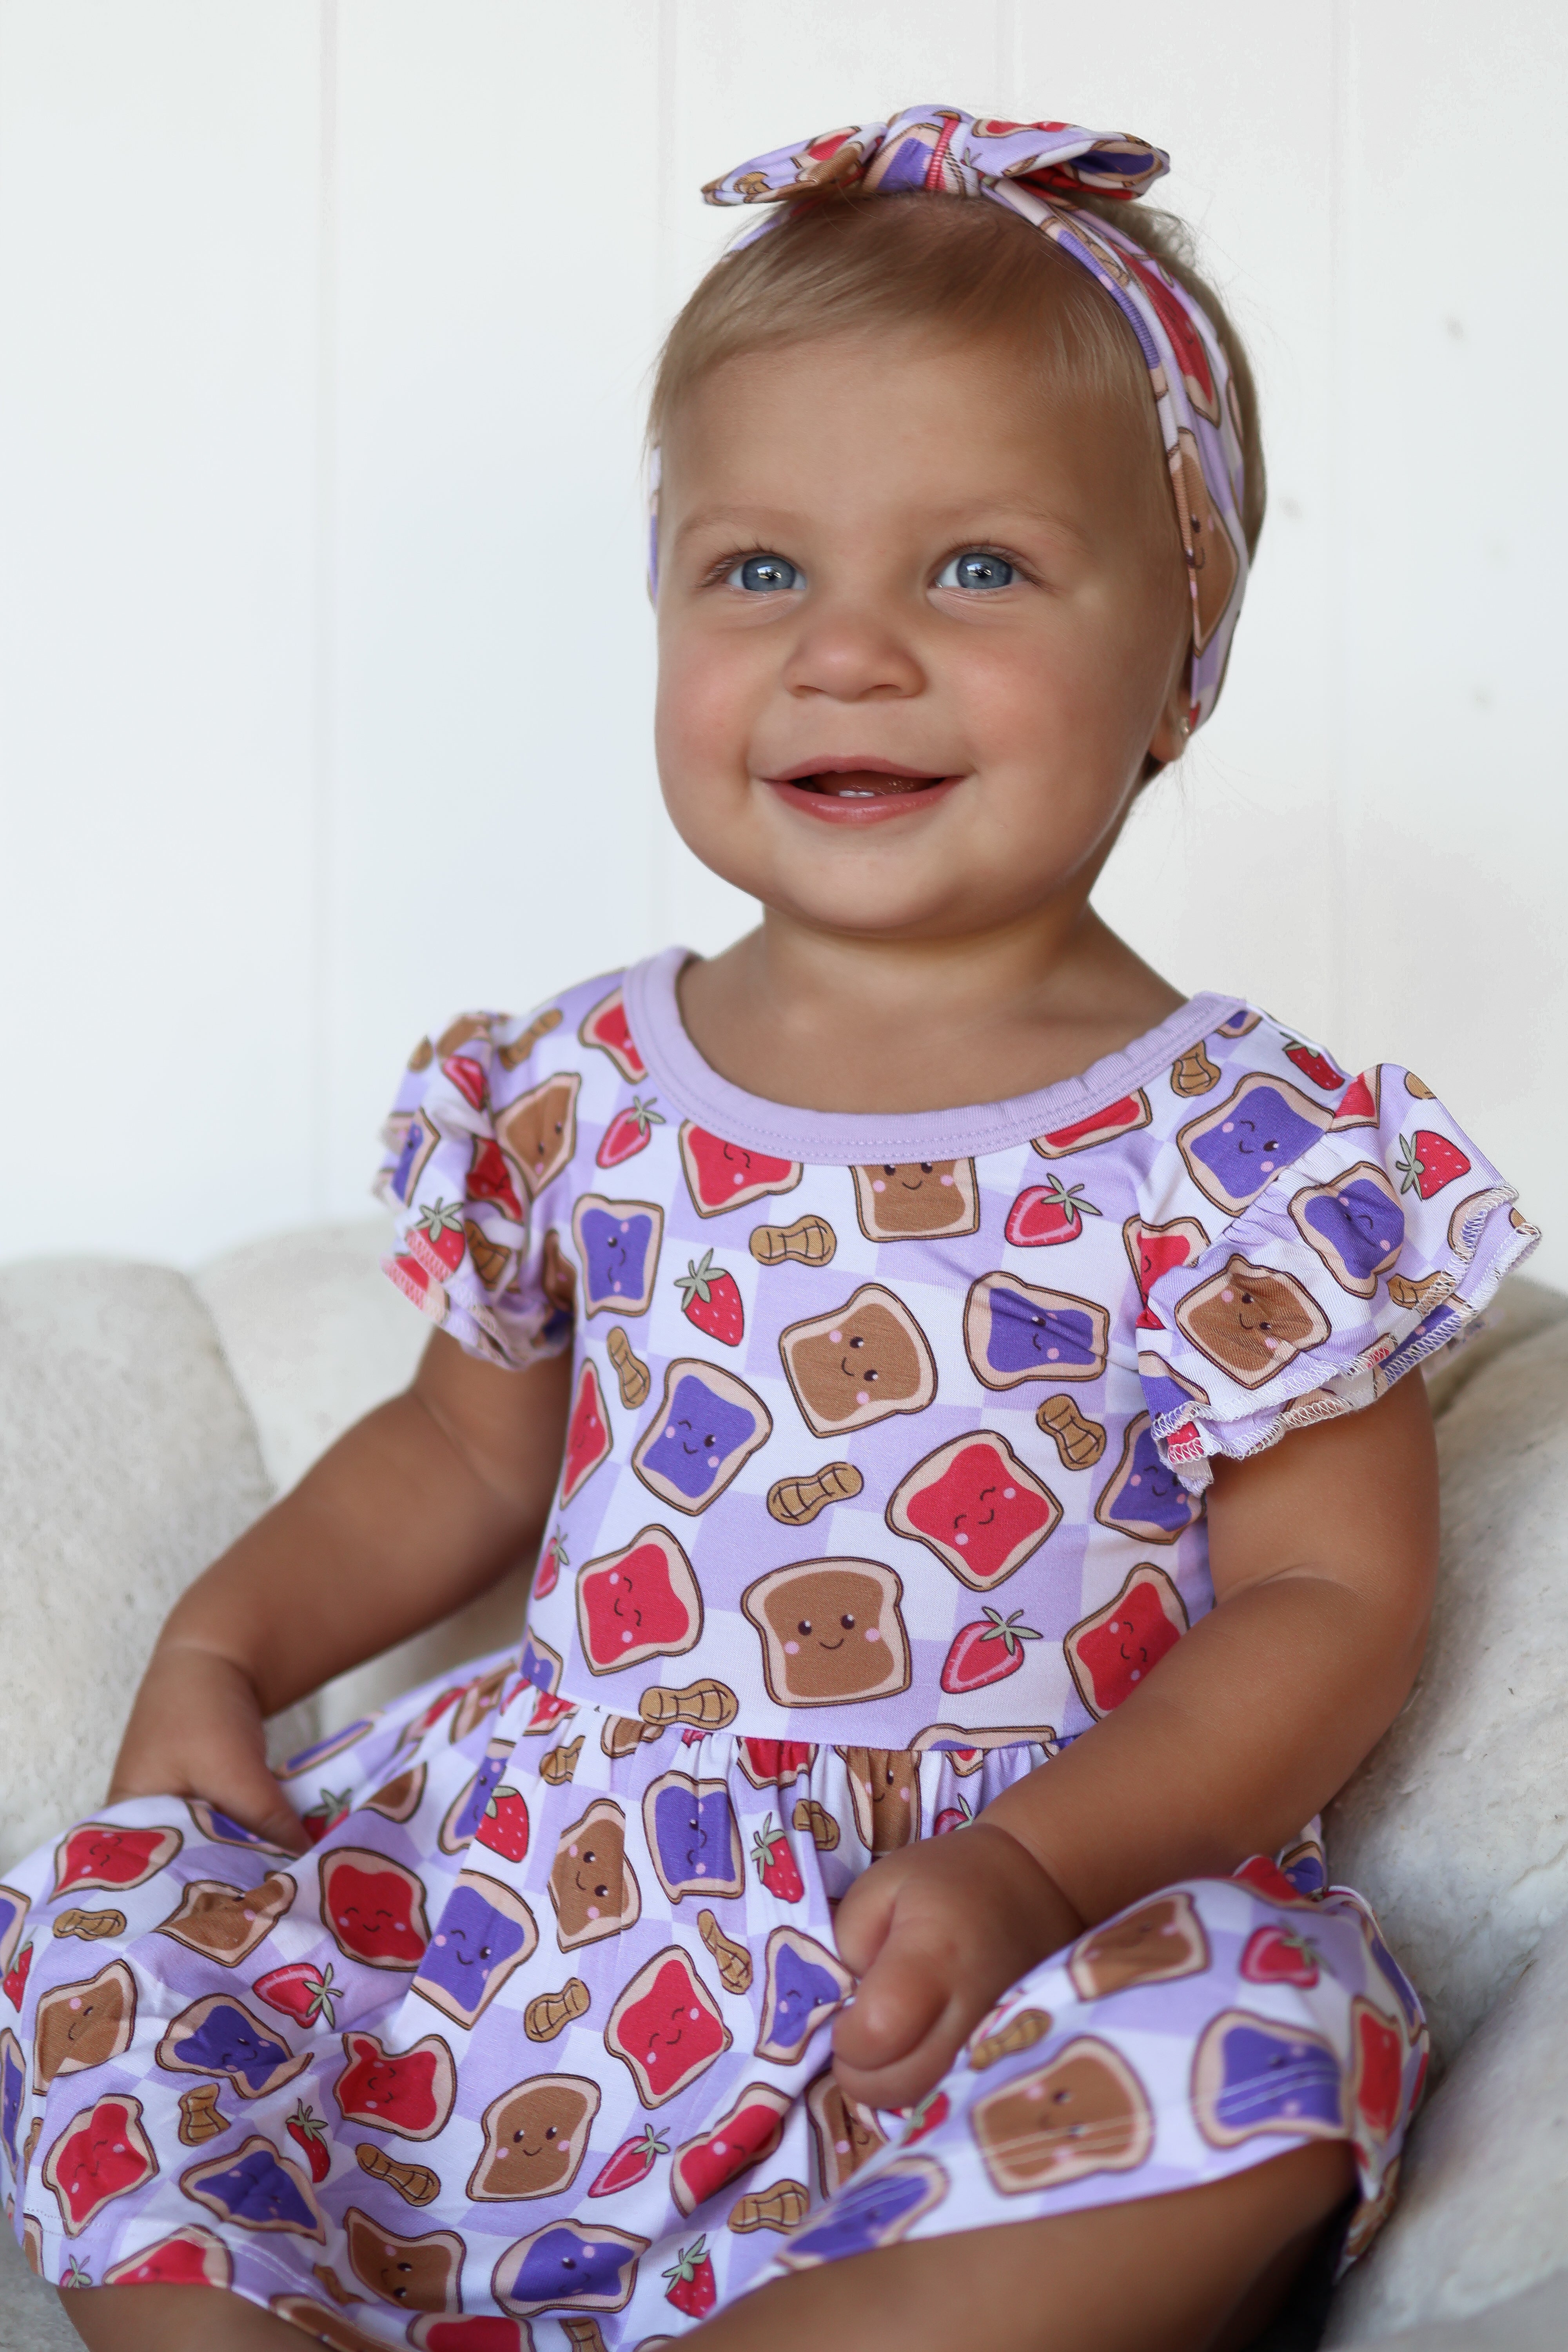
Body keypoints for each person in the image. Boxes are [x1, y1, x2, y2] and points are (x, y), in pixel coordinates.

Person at [2, 105, 1537, 2352]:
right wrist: (225, 1644)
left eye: (978, 569)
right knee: (134, 1951)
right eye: (756, 572)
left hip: (981, 1943)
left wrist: (1036, 1869)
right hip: (538, 1942)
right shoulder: (583, 1088)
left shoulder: (1242, 1150)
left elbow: (1333, 1599)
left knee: (1265, 2040)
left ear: (1183, 654)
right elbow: (463, 1449)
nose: (849, 652)